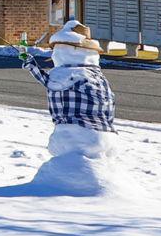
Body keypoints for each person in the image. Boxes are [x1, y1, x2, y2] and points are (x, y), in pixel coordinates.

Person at [13, 19, 117, 194]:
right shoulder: (98, 76)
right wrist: (30, 63)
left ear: (70, 49)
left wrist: (30, 63)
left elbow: (52, 83)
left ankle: (66, 188)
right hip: (106, 136)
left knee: (65, 168)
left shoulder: (68, 73)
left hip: (77, 133)